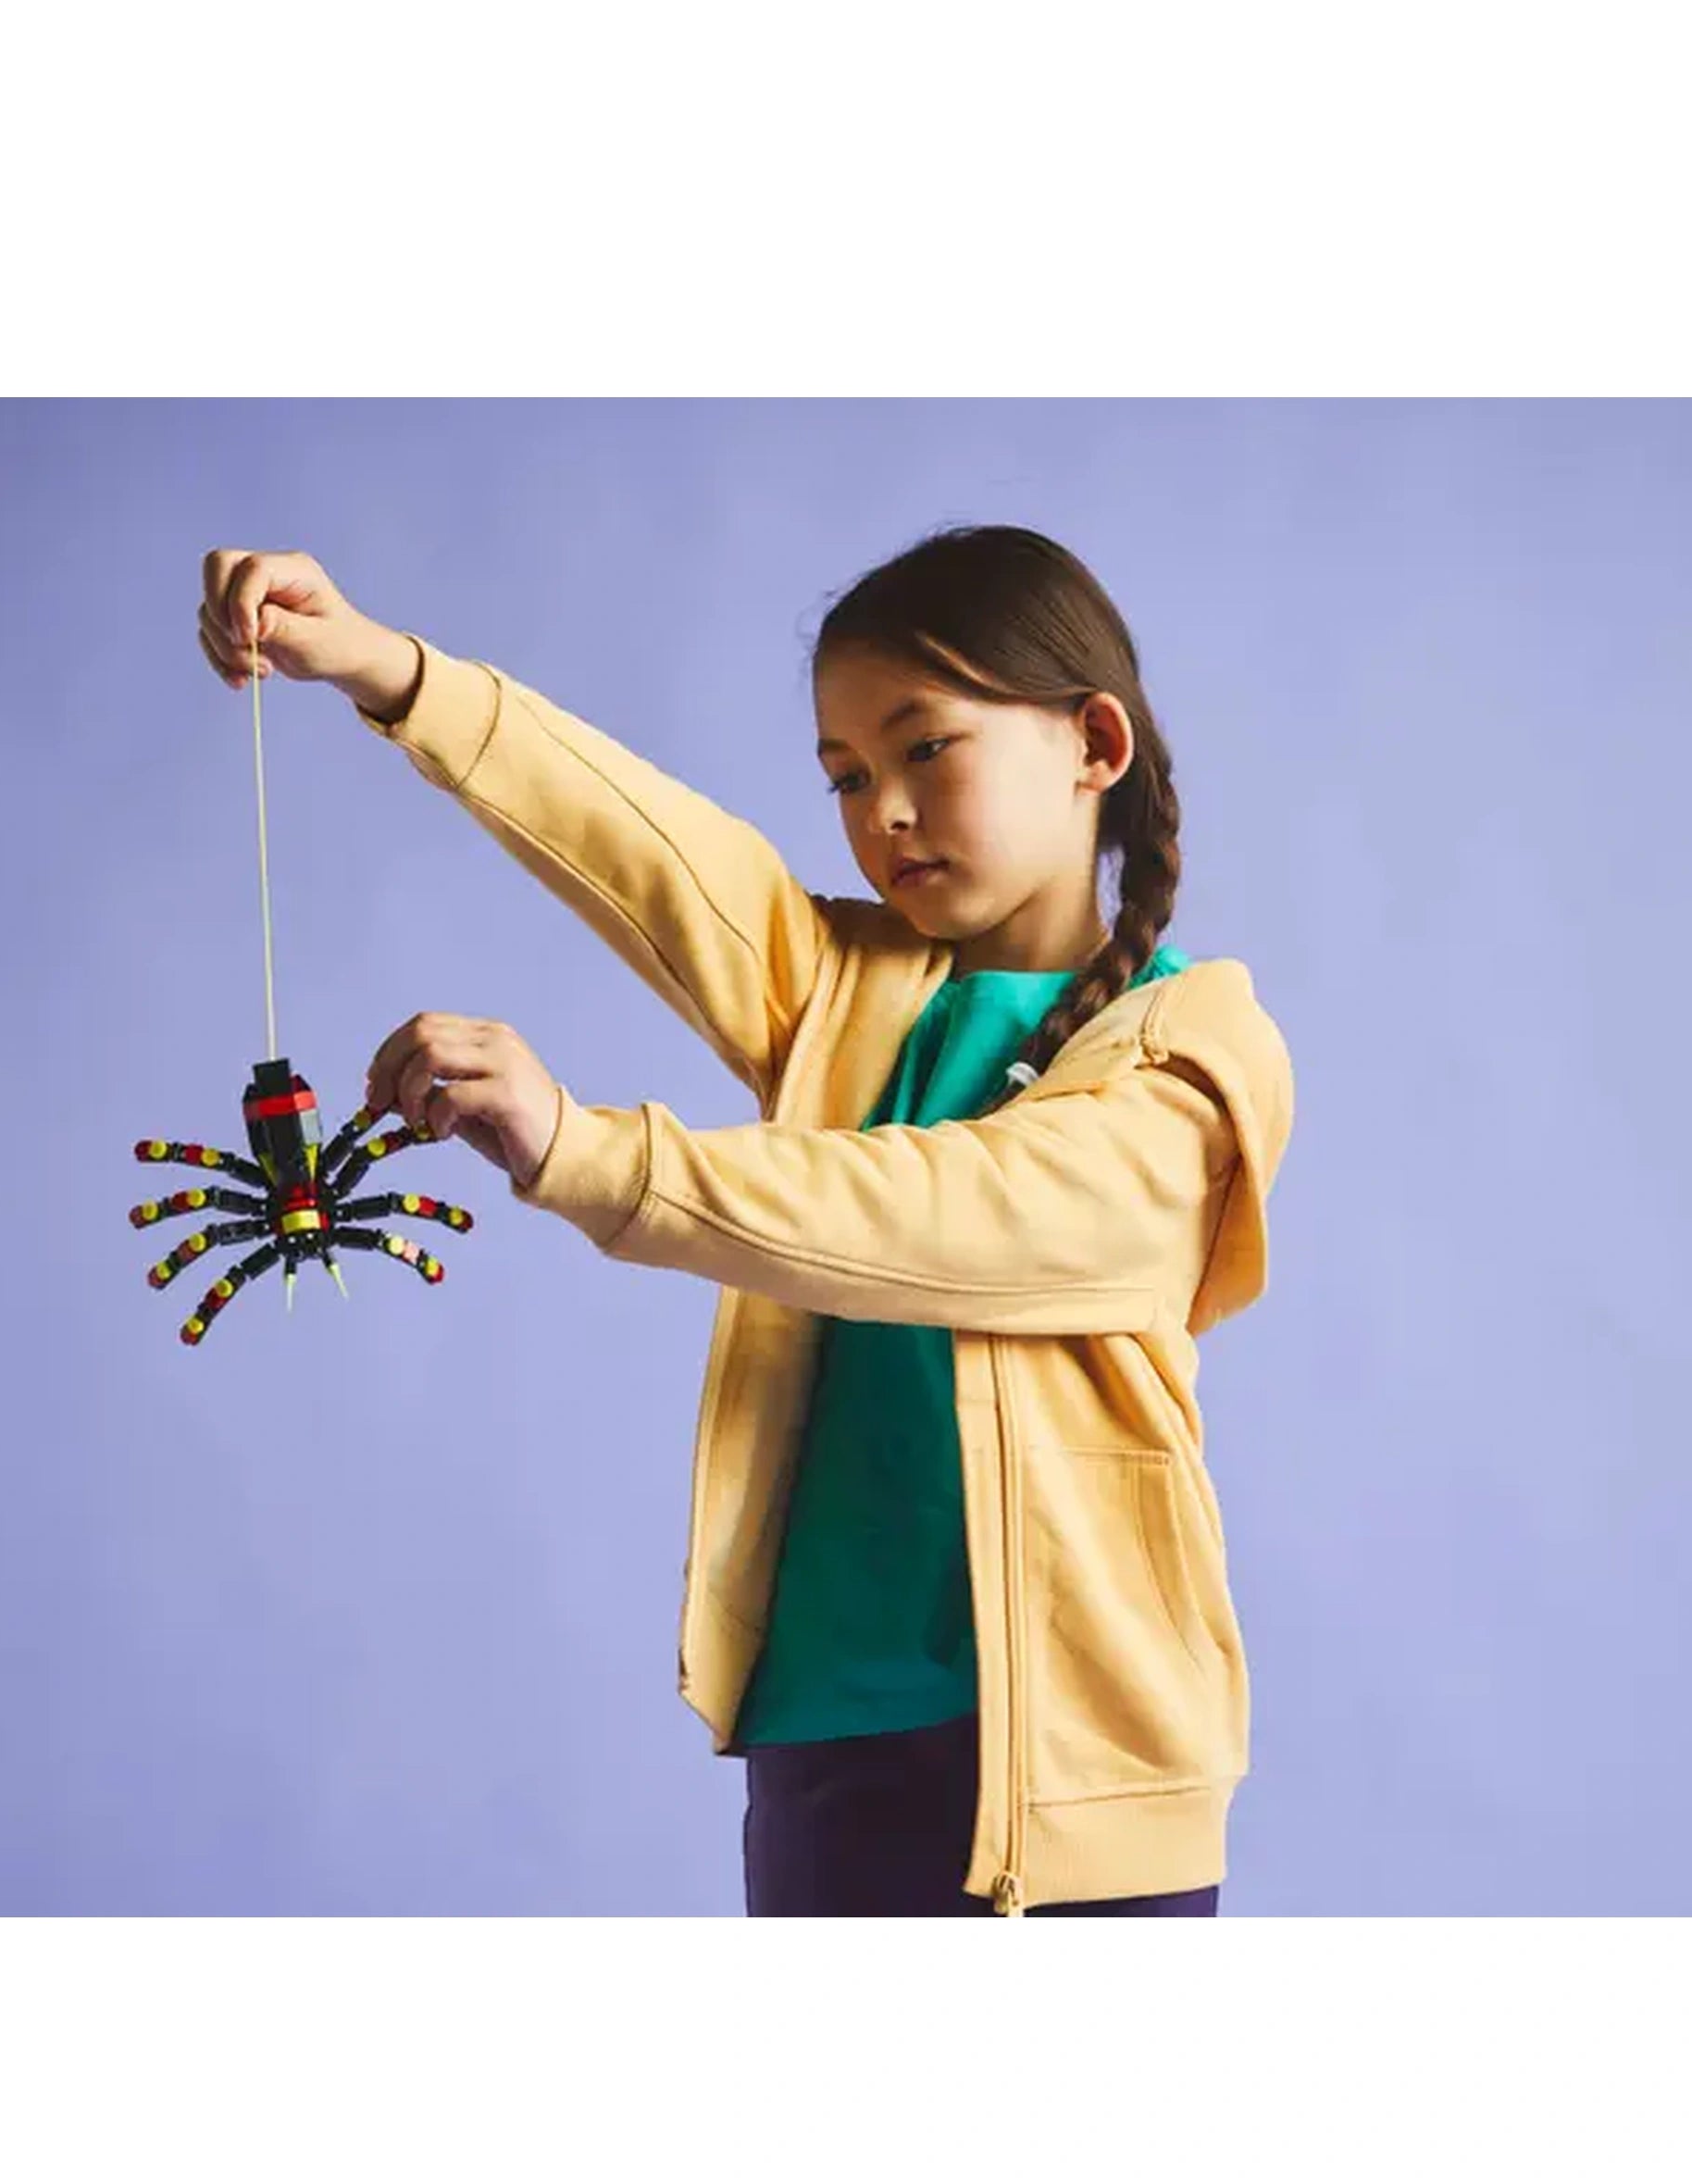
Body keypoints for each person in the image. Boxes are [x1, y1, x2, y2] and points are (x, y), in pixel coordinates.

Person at [196, 524, 1294, 1916]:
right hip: (823, 1736)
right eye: (847, 776)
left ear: (1094, 743)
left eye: (926, 748)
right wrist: (384, 667)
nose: (884, 812)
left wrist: (585, 1151)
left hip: (1085, 1780)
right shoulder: (845, 987)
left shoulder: (1191, 1057)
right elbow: (646, 847)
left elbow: (943, 1215)